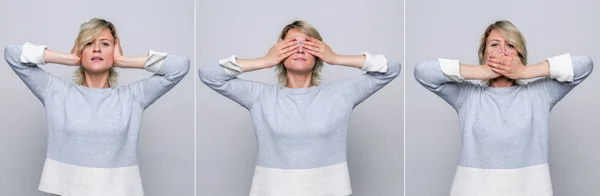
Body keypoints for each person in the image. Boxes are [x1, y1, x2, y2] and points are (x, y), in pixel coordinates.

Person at [198, 20, 401, 196]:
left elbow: (391, 69)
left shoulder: (341, 94)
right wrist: (265, 61)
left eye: (309, 45)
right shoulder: (260, 96)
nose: (301, 50)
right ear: (280, 53)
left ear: (318, 55)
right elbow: (208, 74)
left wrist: (336, 58)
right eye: (292, 45)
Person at [4, 18, 190, 195]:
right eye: (89, 43)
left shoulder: (132, 97)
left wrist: (124, 61)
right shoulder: (56, 93)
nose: (97, 49)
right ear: (79, 50)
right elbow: (12, 54)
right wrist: (69, 58)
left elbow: (180, 67)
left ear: (114, 51)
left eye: (105, 44)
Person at [414, 20, 593, 196]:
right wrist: (481, 72)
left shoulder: (539, 94)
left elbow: (584, 65)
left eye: (510, 45)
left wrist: (525, 72)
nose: (502, 51)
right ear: (484, 54)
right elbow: (422, 72)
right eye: (494, 45)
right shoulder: (467, 97)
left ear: (519, 54)